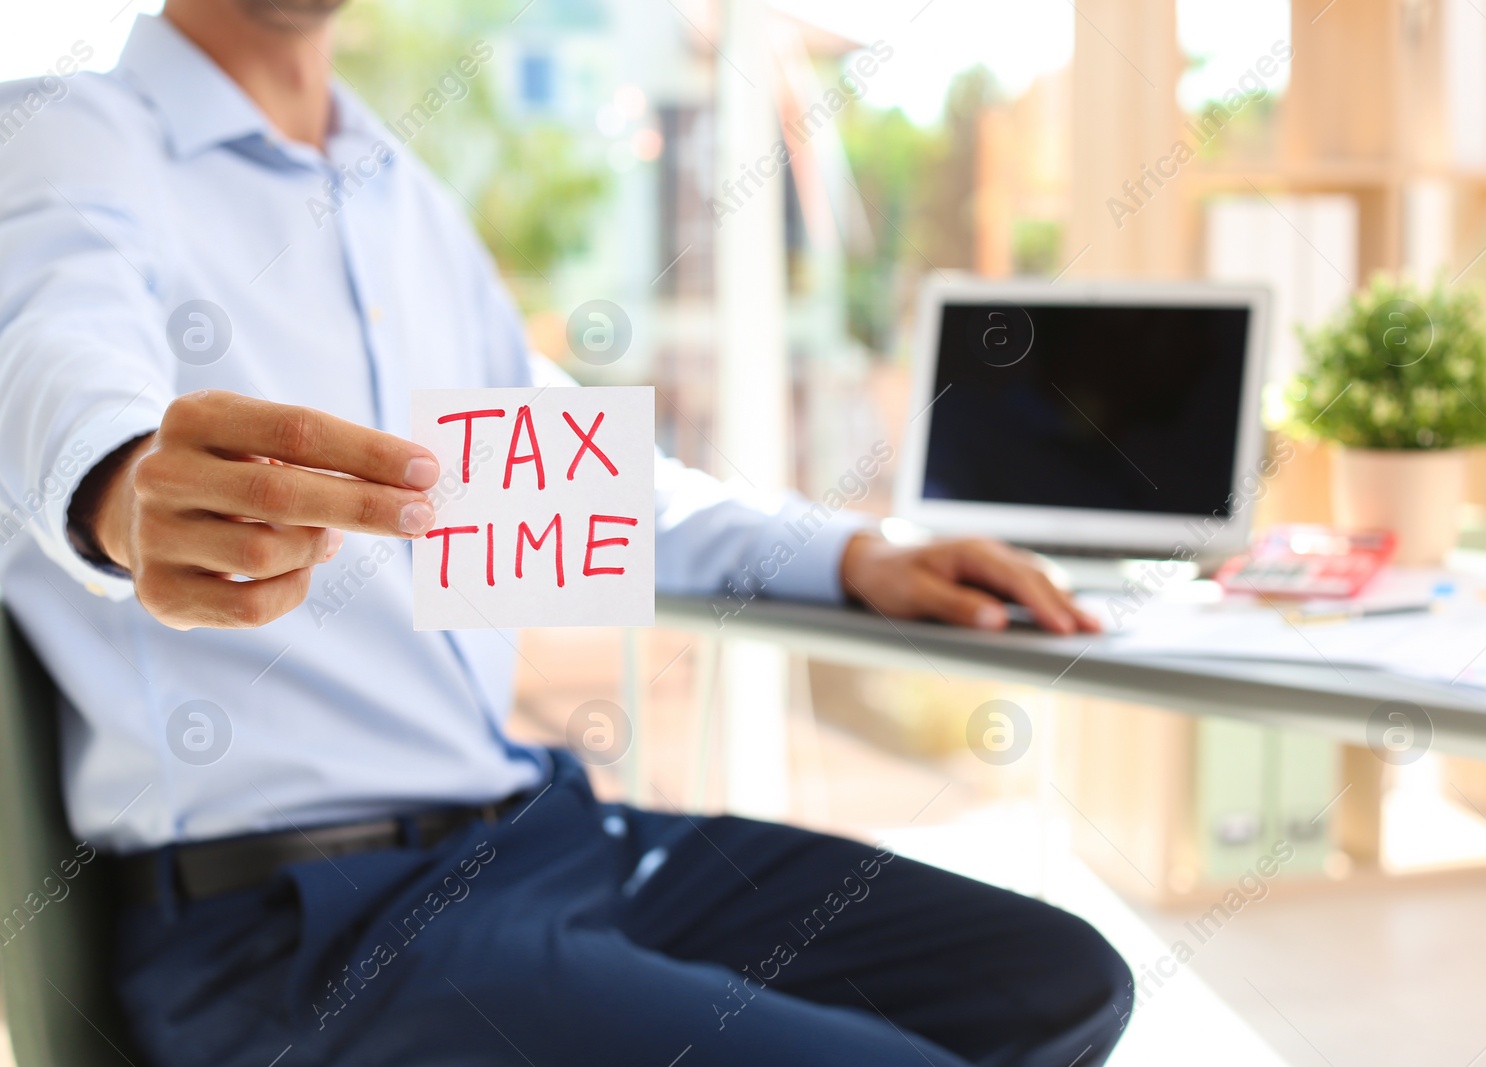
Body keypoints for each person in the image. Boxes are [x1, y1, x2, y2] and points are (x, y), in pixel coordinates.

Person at [0, 3, 1132, 1065]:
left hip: (538, 837)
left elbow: (573, 494)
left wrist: (850, 553)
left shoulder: (397, 196)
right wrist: (121, 486)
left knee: (1056, 981)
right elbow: (52, 359)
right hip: (300, 928)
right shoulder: (63, 135)